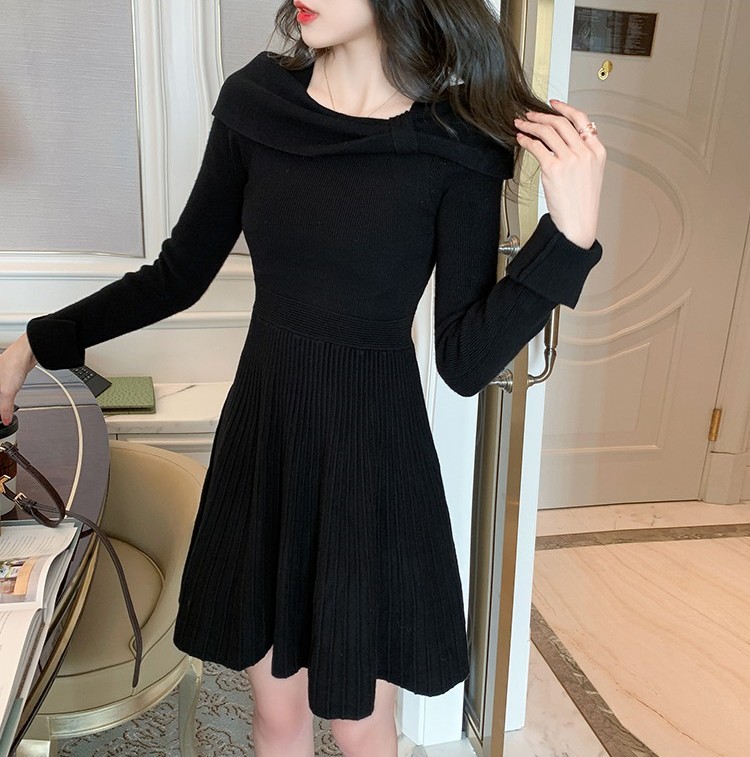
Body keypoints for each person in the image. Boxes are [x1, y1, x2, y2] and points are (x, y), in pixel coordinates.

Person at [0, 0, 606, 754]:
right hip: (267, 441)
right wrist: (30, 345)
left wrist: (569, 239)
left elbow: (464, 360)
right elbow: (177, 276)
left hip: (370, 462)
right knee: (277, 714)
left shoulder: (455, 146)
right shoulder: (258, 102)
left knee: (359, 722)